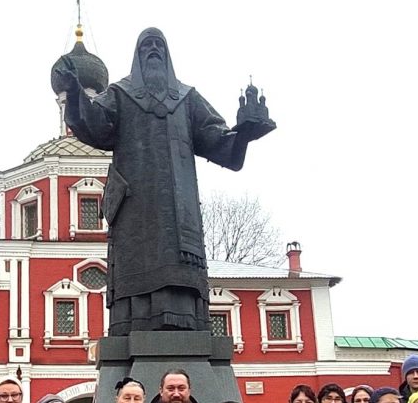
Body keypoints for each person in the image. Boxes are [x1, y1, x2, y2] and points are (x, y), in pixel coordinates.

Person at [56, 27, 272, 335]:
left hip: (179, 207)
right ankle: (135, 326)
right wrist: (75, 92)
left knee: (178, 261)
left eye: (159, 45)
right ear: (137, 55)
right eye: (147, 45)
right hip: (134, 204)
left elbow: (216, 139)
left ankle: (187, 326)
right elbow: (96, 126)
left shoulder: (187, 98)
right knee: (136, 258)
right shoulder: (120, 93)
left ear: (168, 55)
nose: (153, 50)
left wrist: (245, 132)